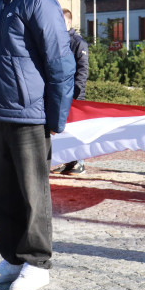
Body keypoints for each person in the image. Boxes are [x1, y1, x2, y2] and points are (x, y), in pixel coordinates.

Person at [0, 0, 75, 290]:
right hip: (3, 111)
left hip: (30, 113)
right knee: (1, 190)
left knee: (32, 191)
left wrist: (56, 117)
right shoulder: (5, 1)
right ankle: (13, 257)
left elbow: (61, 63)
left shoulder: (40, 1)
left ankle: (37, 263)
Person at [52, 9, 89, 175]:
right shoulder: (56, 40)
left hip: (73, 93)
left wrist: (77, 93)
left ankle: (78, 162)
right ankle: (66, 160)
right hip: (58, 93)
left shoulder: (78, 42)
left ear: (67, 23)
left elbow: (82, 70)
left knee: (75, 129)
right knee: (61, 129)